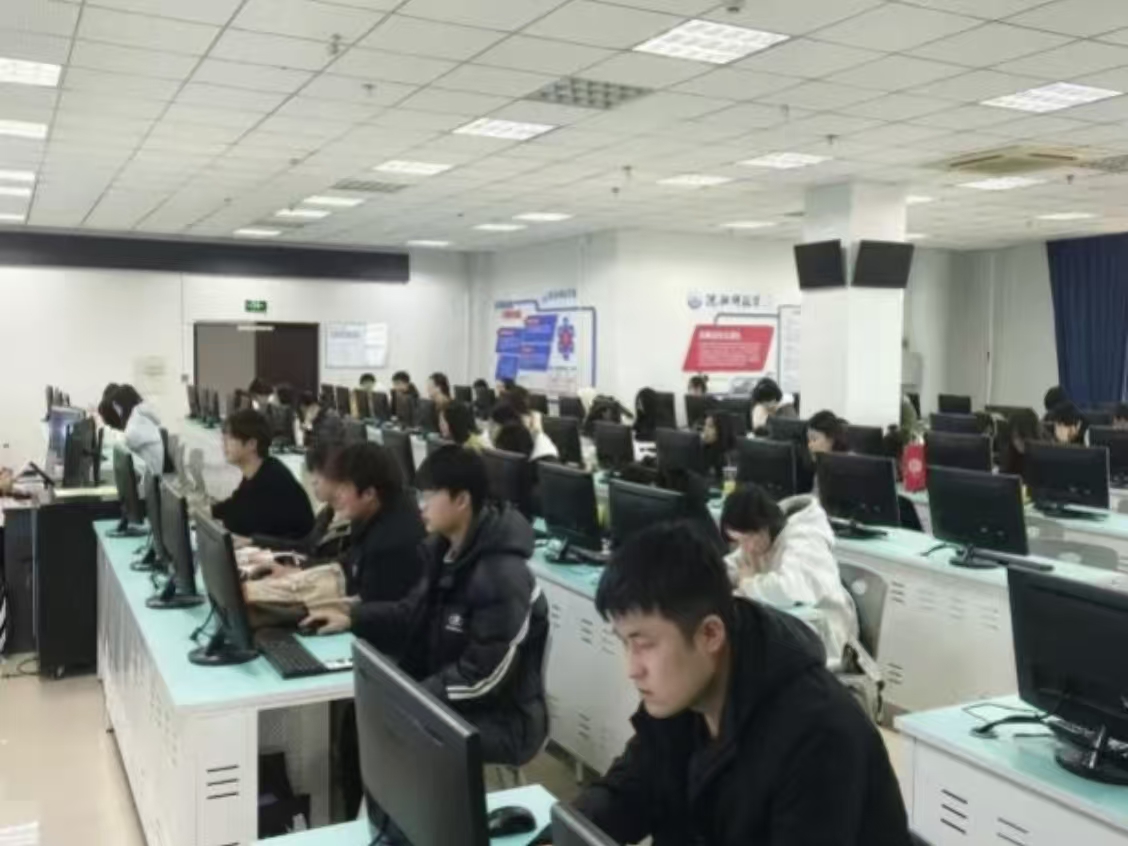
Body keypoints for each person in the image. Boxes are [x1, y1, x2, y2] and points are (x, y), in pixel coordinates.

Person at [575, 523, 910, 846]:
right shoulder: (681, 693)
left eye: (644, 644)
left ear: (710, 634)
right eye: (624, 643)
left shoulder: (819, 734)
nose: (632, 669)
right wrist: (566, 832)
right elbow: (630, 789)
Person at [303, 446, 549, 767]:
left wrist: (414, 697)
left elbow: (483, 676)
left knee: (383, 728)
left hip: (500, 718)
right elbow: (410, 613)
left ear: (461, 500)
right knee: (360, 715)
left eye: (430, 496)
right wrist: (351, 616)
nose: (421, 506)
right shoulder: (443, 552)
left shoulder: (502, 575)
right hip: (453, 694)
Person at [720, 483, 858, 661]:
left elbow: (787, 590)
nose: (745, 548)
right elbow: (732, 565)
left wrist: (747, 583)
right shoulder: (762, 535)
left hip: (825, 635)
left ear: (763, 528)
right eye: (738, 541)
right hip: (790, 629)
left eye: (746, 539)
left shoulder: (805, 539)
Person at [323, 442, 426, 604]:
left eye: (343, 489)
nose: (337, 495)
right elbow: (348, 563)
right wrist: (302, 569)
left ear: (369, 494)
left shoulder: (390, 545)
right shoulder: (378, 512)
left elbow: (369, 604)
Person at [240, 440, 350, 565]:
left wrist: (295, 569)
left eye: (319, 473)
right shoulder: (328, 512)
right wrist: (254, 541)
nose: (313, 481)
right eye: (312, 472)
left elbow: (340, 564)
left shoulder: (352, 519)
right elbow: (305, 546)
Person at [212, 409, 314, 540]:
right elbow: (236, 503)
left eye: (230, 438)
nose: (223, 444)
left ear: (252, 444)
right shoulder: (261, 470)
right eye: (223, 438)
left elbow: (238, 523)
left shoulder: (273, 480)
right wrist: (209, 511)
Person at [102, 383, 165, 477]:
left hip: (149, 477)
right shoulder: (140, 414)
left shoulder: (138, 420)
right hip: (149, 472)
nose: (117, 411)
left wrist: (110, 437)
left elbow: (125, 442)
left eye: (117, 407)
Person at [1000, 407, 1041, 480]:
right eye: (1014, 437)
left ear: (1033, 434)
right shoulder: (1010, 454)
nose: (1017, 442)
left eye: (1022, 436)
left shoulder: (1043, 457)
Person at [701, 412, 735, 481]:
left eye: (710, 426)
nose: (705, 430)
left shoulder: (728, 458)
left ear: (721, 430)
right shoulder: (706, 449)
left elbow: (729, 486)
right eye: (705, 425)